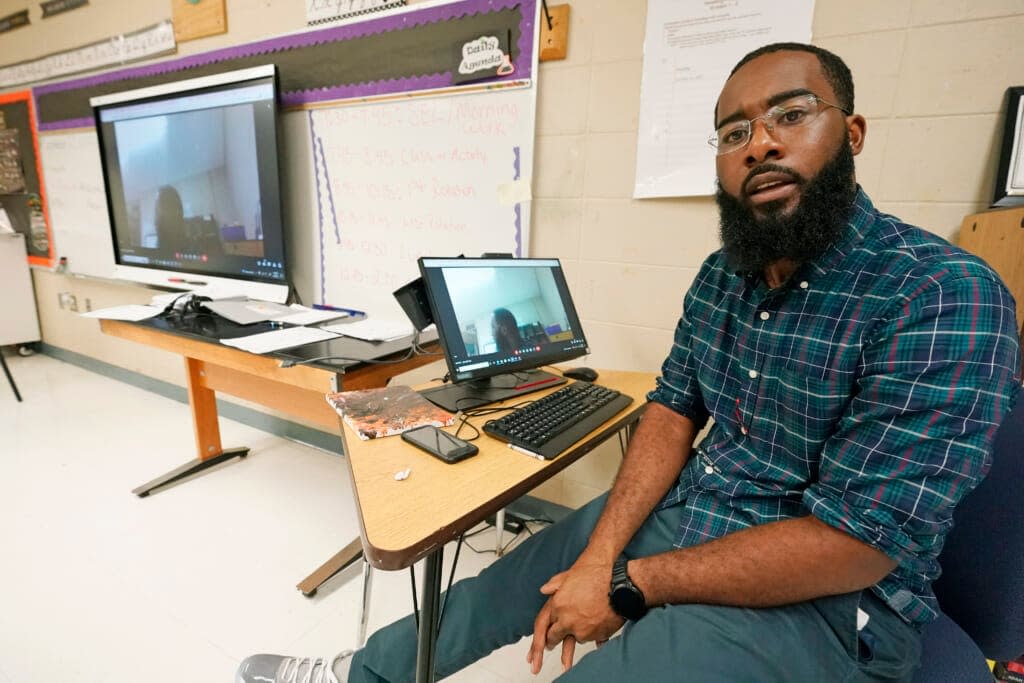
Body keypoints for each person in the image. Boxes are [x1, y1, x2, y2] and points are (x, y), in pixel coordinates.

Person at [237, 42, 1022, 682]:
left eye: (791, 114)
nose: (762, 143)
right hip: (702, 515)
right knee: (511, 578)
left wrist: (626, 583)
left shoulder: (941, 295)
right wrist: (604, 550)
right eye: (734, 132)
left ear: (851, 134)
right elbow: (672, 408)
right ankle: (363, 673)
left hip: (839, 603)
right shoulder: (725, 276)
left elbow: (857, 541)